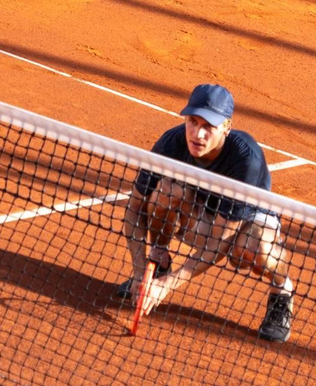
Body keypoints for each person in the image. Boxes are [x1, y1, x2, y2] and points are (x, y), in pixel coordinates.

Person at [116, 83, 294, 343]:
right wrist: (141, 272)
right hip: (200, 212)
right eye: (192, 121)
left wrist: (167, 287)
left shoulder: (246, 159)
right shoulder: (171, 144)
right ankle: (159, 260)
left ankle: (282, 292)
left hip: (244, 222)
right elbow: (134, 209)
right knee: (166, 190)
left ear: (226, 127)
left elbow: (220, 242)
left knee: (254, 249)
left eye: (208, 126)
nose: (197, 134)